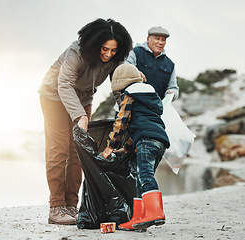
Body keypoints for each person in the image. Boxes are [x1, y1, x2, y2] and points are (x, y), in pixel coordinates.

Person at [38, 18, 132, 225]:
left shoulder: (116, 59)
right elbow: (64, 84)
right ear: (95, 44)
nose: (108, 55)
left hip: (83, 98)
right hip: (54, 95)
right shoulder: (77, 52)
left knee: (78, 152)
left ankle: (71, 206)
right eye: (104, 49)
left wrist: (127, 109)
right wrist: (80, 116)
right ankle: (56, 207)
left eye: (113, 51)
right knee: (59, 149)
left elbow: (119, 87)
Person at [101, 63, 170, 231]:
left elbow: (122, 121)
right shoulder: (149, 95)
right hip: (159, 141)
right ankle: (139, 218)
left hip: (146, 140)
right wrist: (127, 148)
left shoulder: (129, 94)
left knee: (144, 175)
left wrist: (111, 145)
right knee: (141, 178)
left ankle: (155, 213)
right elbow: (139, 124)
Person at [125, 26, 179, 101]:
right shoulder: (135, 52)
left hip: (155, 109)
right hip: (131, 104)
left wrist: (172, 93)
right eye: (157, 39)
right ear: (148, 39)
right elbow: (124, 69)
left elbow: (173, 87)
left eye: (163, 40)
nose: (160, 42)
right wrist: (134, 73)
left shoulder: (170, 64)